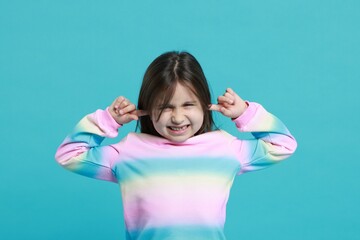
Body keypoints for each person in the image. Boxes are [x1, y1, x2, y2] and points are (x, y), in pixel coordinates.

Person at [55, 51, 297, 240]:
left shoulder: (224, 148)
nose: (178, 118)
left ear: (204, 104)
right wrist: (108, 120)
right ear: (147, 108)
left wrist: (244, 113)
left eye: (188, 105)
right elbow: (69, 155)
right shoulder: (129, 152)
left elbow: (283, 144)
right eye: (166, 107)